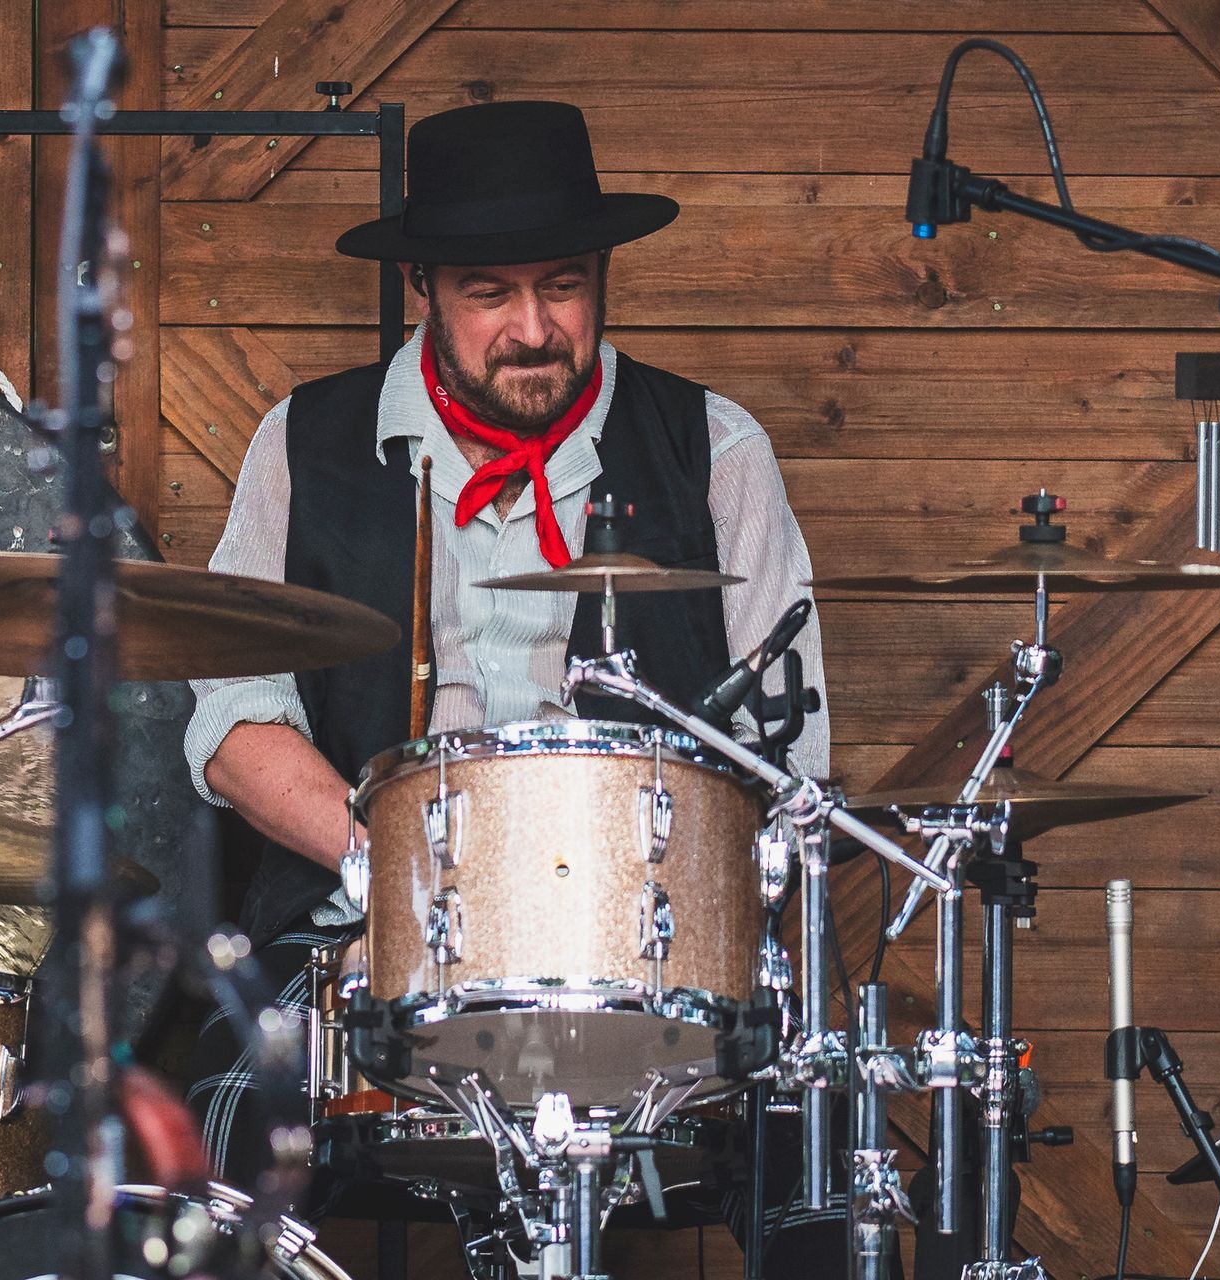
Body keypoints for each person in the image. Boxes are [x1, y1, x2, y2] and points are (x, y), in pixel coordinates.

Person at [183, 99, 839, 1272]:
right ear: (425, 286)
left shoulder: (714, 450)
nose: (536, 328)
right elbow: (236, 725)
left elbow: (791, 767)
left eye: (567, 285)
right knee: (216, 1133)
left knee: (828, 1153)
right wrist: (399, 883)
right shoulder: (306, 442)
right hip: (359, 931)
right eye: (492, 291)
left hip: (650, 949)